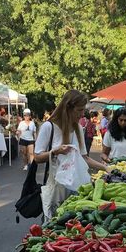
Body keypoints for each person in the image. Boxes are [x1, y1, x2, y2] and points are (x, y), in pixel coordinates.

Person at [34, 90, 107, 218]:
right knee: (54, 223)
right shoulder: (48, 127)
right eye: (79, 110)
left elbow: (85, 158)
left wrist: (106, 168)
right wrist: (55, 151)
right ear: (68, 108)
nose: (82, 114)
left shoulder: (78, 128)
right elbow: (37, 157)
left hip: (76, 190)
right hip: (56, 188)